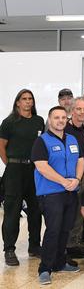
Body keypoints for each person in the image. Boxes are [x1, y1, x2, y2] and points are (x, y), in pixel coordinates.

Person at [31, 106, 84, 284]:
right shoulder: (42, 141)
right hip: (51, 193)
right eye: (56, 118)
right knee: (53, 230)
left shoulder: (73, 139)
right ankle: (45, 268)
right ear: (49, 119)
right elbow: (42, 167)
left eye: (63, 117)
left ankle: (60, 263)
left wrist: (77, 179)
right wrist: (63, 181)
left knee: (65, 229)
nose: (60, 120)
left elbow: (81, 161)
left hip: (71, 191)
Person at [1, 89, 44, 266]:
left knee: (35, 210)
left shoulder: (39, 121)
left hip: (34, 170)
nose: (28, 102)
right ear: (17, 102)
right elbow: (1, 147)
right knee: (12, 211)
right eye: (24, 99)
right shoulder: (9, 122)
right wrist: (11, 164)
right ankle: (9, 249)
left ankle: (34, 246)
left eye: (30, 99)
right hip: (15, 170)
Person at [64, 97, 84, 259]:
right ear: (72, 111)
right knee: (69, 211)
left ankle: (74, 243)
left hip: (83, 175)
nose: (82, 112)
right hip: (67, 176)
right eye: (78, 109)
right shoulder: (65, 129)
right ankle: (66, 245)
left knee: (80, 209)